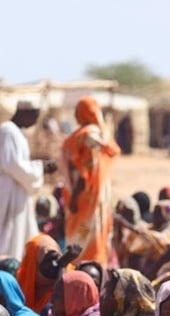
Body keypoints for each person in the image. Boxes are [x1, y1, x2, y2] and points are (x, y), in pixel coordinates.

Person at [0, 101, 57, 261]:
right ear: (25, 113)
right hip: (9, 195)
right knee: (7, 239)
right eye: (35, 117)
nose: (35, 122)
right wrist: (41, 168)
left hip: (18, 194)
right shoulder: (8, 130)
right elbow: (12, 164)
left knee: (19, 238)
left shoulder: (17, 133)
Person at [63, 96, 120, 266]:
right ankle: (96, 268)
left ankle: (83, 270)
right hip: (101, 195)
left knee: (82, 238)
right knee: (97, 232)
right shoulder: (102, 135)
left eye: (77, 111)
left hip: (85, 197)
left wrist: (74, 197)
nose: (74, 115)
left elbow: (87, 170)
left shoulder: (87, 136)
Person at [15, 232, 63, 316]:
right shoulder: (19, 284)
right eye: (48, 258)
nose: (53, 263)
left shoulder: (69, 279)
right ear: (33, 262)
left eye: (56, 258)